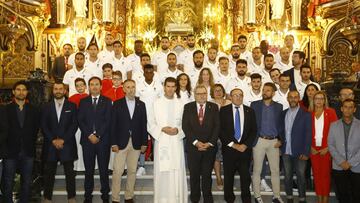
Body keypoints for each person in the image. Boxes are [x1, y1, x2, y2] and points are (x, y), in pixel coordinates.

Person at [148, 77, 188, 203]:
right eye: (168, 86)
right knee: (163, 171)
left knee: (177, 169)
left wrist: (178, 130)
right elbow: (150, 123)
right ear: (164, 87)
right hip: (162, 141)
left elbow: (186, 123)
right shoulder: (156, 103)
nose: (170, 89)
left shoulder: (181, 104)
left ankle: (178, 199)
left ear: (176, 88)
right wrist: (162, 129)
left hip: (176, 141)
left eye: (173, 86)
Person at [1, 81, 40, 203]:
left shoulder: (34, 110)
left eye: (24, 89)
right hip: (10, 151)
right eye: (18, 89)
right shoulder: (5, 109)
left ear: (27, 92)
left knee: (27, 181)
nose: (21, 92)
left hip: (28, 151)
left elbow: (35, 129)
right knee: (8, 180)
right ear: (13, 92)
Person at [110, 79, 148, 203]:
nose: (131, 89)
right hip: (121, 143)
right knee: (118, 171)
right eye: (128, 87)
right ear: (124, 89)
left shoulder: (141, 104)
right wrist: (114, 143)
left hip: (136, 143)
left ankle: (128, 196)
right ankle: (115, 198)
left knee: (132, 171)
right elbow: (113, 125)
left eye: (133, 86)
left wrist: (144, 143)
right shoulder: (117, 104)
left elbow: (144, 124)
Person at [41, 82, 78, 203]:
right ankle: (47, 198)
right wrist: (53, 139)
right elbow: (44, 125)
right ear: (53, 91)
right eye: (55, 89)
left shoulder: (72, 106)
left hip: (67, 144)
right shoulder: (46, 106)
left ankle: (71, 197)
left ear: (64, 91)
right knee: (49, 174)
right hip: (50, 145)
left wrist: (63, 139)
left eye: (60, 89)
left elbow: (74, 125)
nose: (58, 91)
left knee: (70, 174)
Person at [182, 85, 220, 203]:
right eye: (199, 94)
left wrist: (209, 143)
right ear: (194, 95)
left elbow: (217, 126)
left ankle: (208, 199)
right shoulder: (188, 107)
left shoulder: (213, 107)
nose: (202, 96)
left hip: (209, 148)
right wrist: (196, 142)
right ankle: (195, 199)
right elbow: (185, 126)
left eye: (204, 93)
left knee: (207, 175)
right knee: (194, 175)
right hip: (193, 148)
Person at [78, 76, 112, 203]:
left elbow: (108, 120)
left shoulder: (107, 101)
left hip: (103, 141)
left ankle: (105, 196)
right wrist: (89, 135)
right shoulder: (83, 101)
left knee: (103, 170)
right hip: (87, 141)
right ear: (89, 87)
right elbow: (80, 120)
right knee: (89, 170)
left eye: (97, 84)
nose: (94, 86)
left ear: (101, 86)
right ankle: (88, 196)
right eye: (92, 84)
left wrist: (98, 135)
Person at [219, 88, 257, 203]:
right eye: (235, 95)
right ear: (230, 97)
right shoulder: (223, 110)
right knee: (229, 177)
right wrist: (233, 144)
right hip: (229, 150)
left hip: (244, 151)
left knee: (245, 178)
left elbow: (253, 130)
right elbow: (220, 130)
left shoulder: (249, 111)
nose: (238, 97)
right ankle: (229, 199)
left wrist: (245, 145)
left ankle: (246, 199)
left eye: (240, 95)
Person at [250, 82, 284, 203]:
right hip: (259, 141)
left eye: (268, 90)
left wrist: (281, 140)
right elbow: (251, 124)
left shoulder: (279, 107)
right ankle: (257, 195)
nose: (265, 92)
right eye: (264, 90)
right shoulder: (254, 105)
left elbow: (281, 126)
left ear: (273, 93)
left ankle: (276, 195)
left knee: (275, 170)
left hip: (274, 142)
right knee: (257, 170)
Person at [281, 90, 312, 203]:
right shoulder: (283, 113)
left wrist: (306, 152)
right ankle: (289, 198)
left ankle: (302, 199)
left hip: (300, 152)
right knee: (287, 176)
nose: (293, 99)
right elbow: (281, 131)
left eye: (295, 97)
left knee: (301, 176)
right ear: (287, 99)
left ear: (298, 98)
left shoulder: (306, 114)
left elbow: (308, 134)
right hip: (286, 151)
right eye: (291, 97)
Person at [328, 99, 360, 203]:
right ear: (341, 109)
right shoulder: (333, 125)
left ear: (354, 109)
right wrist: (341, 161)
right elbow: (331, 145)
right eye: (345, 107)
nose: (347, 110)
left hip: (356, 166)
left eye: (350, 107)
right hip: (339, 166)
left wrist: (350, 163)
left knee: (357, 195)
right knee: (342, 195)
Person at [309, 91, 338, 203]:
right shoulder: (309, 113)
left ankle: (325, 199)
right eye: (317, 98)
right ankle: (319, 198)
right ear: (313, 100)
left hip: (326, 148)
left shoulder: (330, 112)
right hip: (313, 149)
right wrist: (310, 147)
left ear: (325, 100)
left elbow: (335, 132)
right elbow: (306, 132)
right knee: (316, 174)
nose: (319, 101)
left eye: (321, 98)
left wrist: (328, 148)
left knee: (325, 175)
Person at [135, 64, 163, 176]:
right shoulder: (138, 85)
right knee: (142, 142)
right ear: (143, 72)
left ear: (154, 73)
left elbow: (162, 103)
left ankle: (158, 165)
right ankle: (141, 166)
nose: (149, 74)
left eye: (151, 72)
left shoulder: (159, 86)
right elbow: (136, 102)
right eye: (147, 72)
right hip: (142, 118)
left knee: (157, 141)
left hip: (156, 118)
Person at [210, 84, 232, 190]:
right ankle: (219, 178)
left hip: (228, 134)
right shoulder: (209, 104)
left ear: (223, 92)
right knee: (217, 154)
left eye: (220, 90)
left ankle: (228, 180)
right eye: (215, 90)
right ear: (212, 93)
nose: (218, 92)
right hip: (215, 134)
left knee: (229, 157)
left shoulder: (229, 103)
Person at [69, 78, 89, 172]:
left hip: (87, 126)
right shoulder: (72, 98)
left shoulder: (89, 97)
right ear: (75, 87)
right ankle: (77, 167)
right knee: (77, 145)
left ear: (85, 86)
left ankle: (86, 166)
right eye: (78, 86)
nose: (80, 87)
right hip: (76, 126)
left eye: (82, 85)